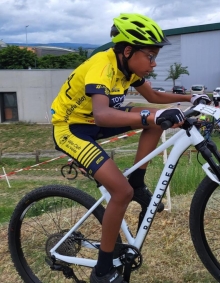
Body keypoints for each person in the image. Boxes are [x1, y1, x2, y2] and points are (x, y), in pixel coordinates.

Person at [50, 13, 211, 283]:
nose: (154, 62)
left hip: (94, 121)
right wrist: (151, 116)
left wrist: (189, 97)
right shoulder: (103, 65)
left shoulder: (128, 68)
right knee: (120, 192)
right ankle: (102, 270)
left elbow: (153, 97)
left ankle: (137, 182)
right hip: (71, 128)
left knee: (155, 119)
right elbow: (102, 114)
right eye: (149, 55)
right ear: (128, 50)